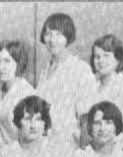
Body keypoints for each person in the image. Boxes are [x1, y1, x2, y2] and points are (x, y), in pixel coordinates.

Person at [36, 12, 96, 148]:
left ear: (68, 37)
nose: (52, 40)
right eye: (48, 34)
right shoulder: (44, 71)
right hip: (44, 147)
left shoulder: (80, 69)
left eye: (58, 35)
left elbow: (87, 119)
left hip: (70, 147)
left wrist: (83, 155)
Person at [89, 34, 123, 157]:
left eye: (106, 56)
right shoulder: (91, 86)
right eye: (97, 57)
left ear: (118, 59)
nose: (101, 61)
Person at [0, 40, 35, 147]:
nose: (1, 67)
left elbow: (32, 137)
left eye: (7, 61)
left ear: (18, 63)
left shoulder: (26, 93)